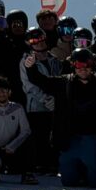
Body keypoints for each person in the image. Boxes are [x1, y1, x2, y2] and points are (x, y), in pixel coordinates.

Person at [25, 48, 96, 188]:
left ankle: (94, 172)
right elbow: (41, 80)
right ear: (73, 66)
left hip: (92, 138)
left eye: (86, 65)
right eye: (78, 65)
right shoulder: (65, 83)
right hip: (69, 138)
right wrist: (30, 67)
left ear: (92, 66)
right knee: (69, 182)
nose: (83, 69)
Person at [19, 27, 62, 173]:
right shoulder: (26, 61)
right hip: (36, 107)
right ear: (28, 43)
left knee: (52, 135)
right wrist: (45, 99)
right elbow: (28, 86)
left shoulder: (54, 59)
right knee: (39, 136)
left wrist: (56, 99)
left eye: (41, 38)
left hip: (54, 106)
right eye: (34, 40)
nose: (39, 42)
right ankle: (39, 164)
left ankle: (52, 164)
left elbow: (58, 80)